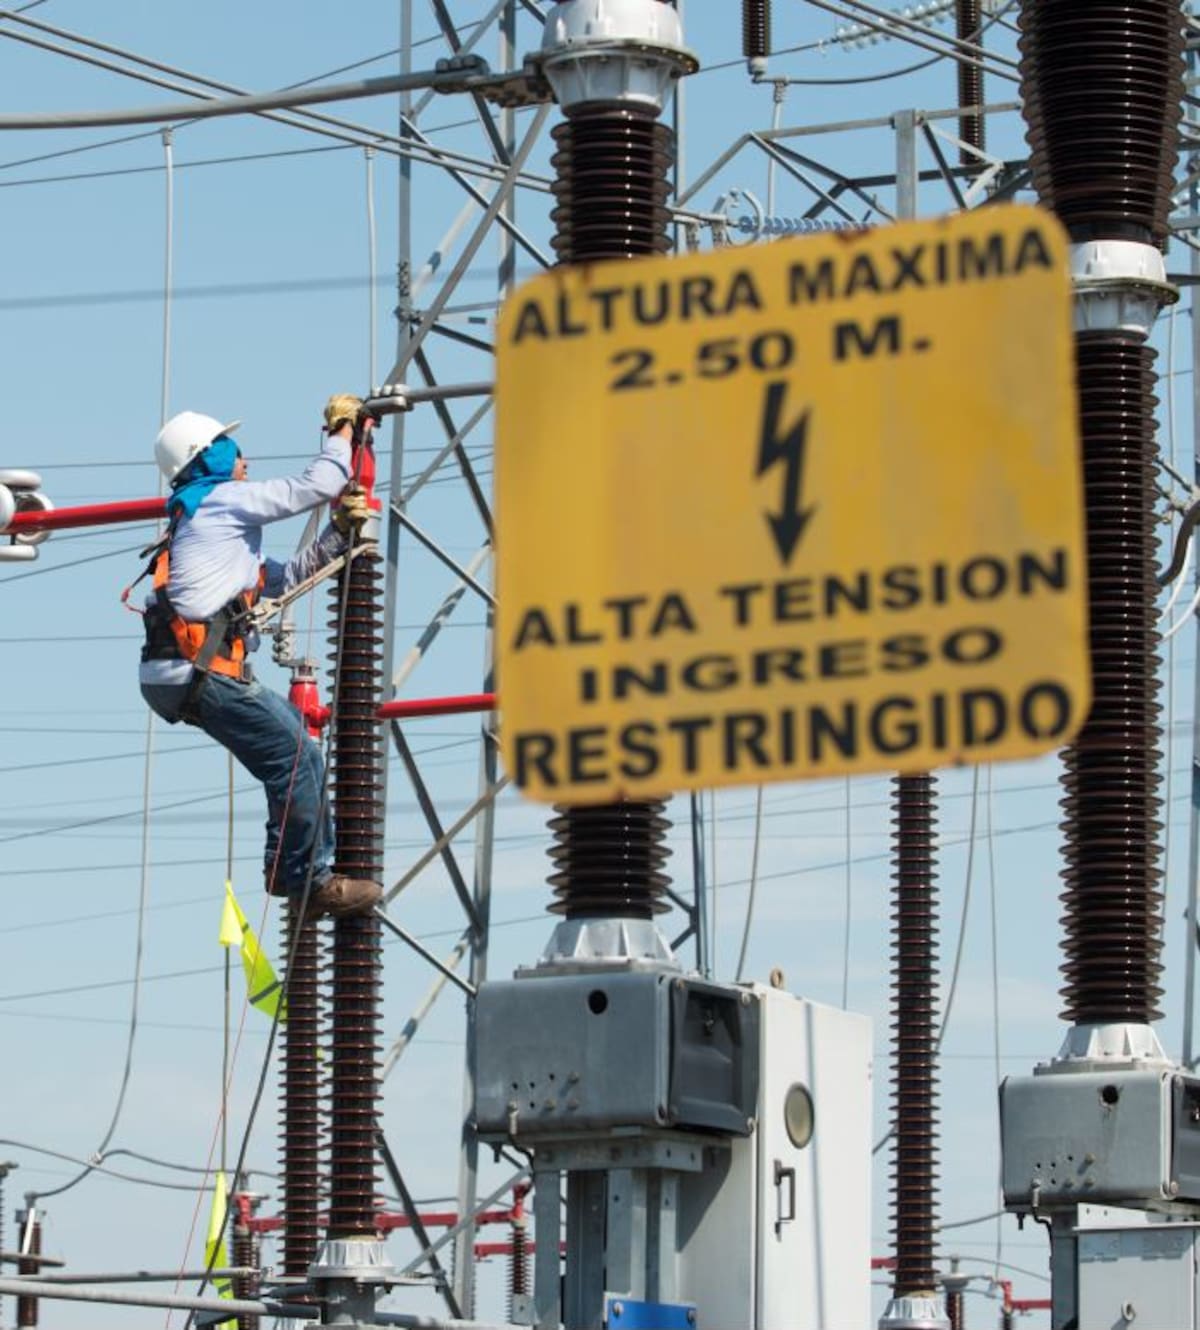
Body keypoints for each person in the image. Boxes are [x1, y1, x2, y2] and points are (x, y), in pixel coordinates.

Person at [136, 396, 382, 919]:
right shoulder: (220, 501)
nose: (244, 459)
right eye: (232, 449)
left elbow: (285, 577)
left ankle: (287, 869)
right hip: (200, 670)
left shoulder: (203, 522)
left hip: (179, 672)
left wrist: (338, 532)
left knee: (293, 747)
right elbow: (316, 485)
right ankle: (310, 881)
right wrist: (341, 434)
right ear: (210, 456)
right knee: (298, 758)